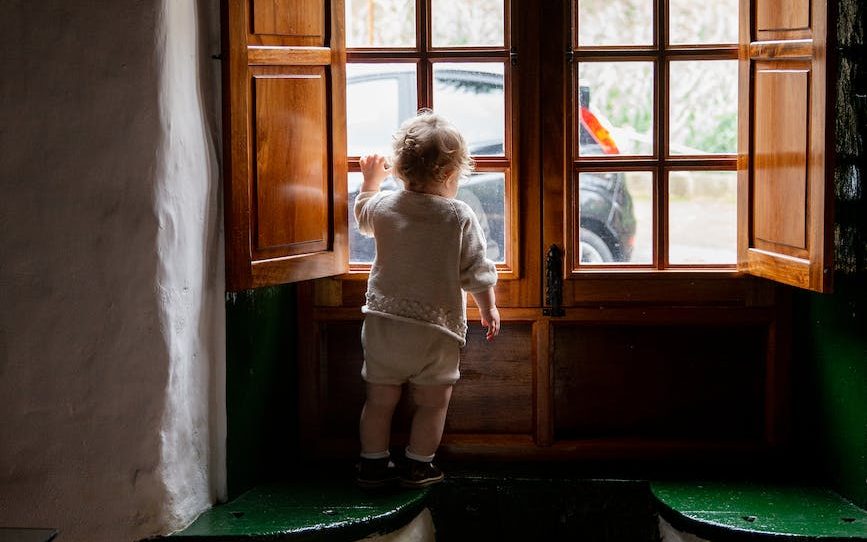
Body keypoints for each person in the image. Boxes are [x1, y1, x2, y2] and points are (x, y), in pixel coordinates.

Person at [354, 110, 500, 488]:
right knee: (433, 402)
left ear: (399, 171)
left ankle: (372, 465)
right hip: (436, 330)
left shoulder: (385, 206)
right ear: (452, 176)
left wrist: (370, 181)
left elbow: (363, 214)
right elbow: (476, 269)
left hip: (385, 323)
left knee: (379, 401)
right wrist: (488, 307)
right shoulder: (458, 215)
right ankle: (419, 465)